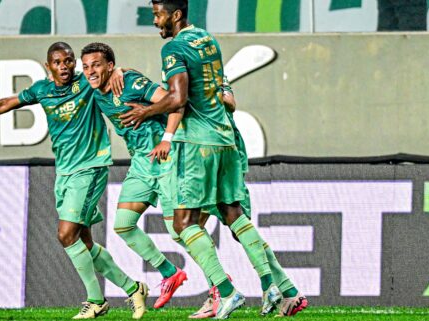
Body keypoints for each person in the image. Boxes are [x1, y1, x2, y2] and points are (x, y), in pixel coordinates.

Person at [0, 42, 148, 320]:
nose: (65, 67)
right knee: (84, 242)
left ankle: (96, 300)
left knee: (65, 234)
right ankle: (133, 288)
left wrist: (120, 70)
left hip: (90, 167)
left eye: (69, 61)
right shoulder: (41, 91)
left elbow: (111, 74)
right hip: (65, 173)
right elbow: (5, 103)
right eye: (58, 62)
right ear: (49, 67)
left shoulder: (87, 85)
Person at [120, 0, 305, 318]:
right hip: (226, 140)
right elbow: (226, 98)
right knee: (234, 216)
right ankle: (275, 287)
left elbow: (177, 98)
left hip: (197, 144)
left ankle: (227, 291)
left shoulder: (173, 48)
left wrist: (145, 111)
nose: (155, 21)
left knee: (183, 224)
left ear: (175, 15)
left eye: (158, 14)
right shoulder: (208, 40)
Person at [188, 78, 308, 319]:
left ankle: (227, 293)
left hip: (215, 154)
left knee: (201, 225)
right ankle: (287, 290)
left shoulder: (205, 72)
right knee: (202, 227)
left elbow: (230, 102)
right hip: (205, 153)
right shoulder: (188, 70)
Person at [80, 42, 187, 309]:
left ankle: (221, 287)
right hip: (141, 162)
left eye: (96, 65)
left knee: (181, 232)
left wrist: (167, 140)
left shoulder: (129, 82)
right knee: (124, 224)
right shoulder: (93, 89)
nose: (90, 72)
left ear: (110, 66)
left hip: (167, 158)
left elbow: (175, 103)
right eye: (86, 67)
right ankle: (169, 273)